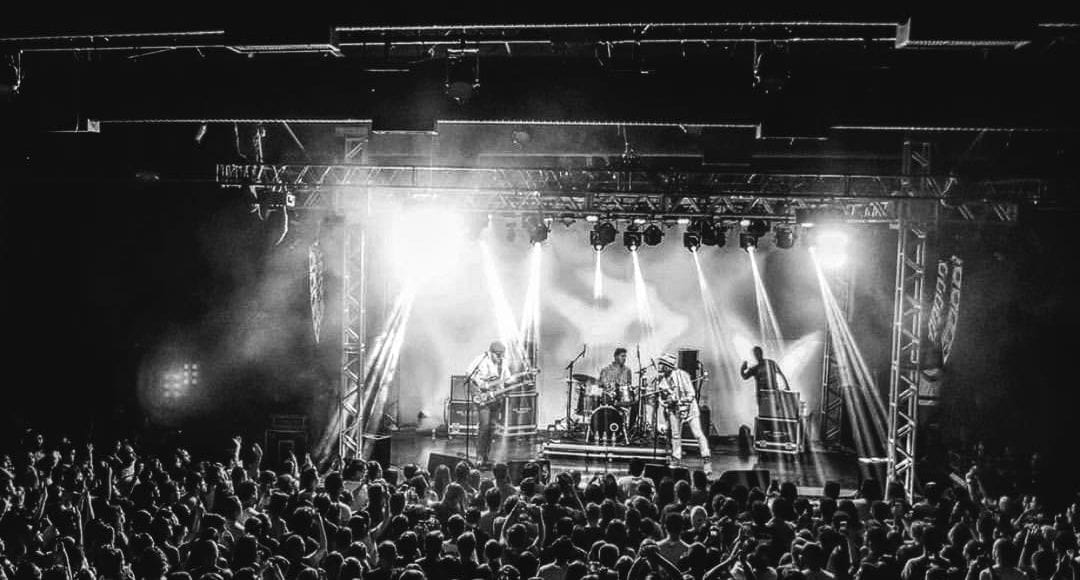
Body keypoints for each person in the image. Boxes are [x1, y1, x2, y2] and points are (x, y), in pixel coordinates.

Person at [655, 353, 711, 473]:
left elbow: (691, 394)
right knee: (675, 435)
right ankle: (676, 458)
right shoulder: (662, 381)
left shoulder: (682, 375)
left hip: (689, 409)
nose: (660, 367)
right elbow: (662, 398)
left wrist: (679, 400)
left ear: (668, 366)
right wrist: (666, 402)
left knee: (697, 433)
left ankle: (706, 458)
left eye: (662, 365)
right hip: (674, 410)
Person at [466, 341, 513, 467]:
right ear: (491, 352)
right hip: (483, 399)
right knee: (484, 426)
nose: (500, 357)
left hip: (496, 399)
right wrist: (478, 389)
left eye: (502, 354)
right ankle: (479, 456)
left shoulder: (503, 363)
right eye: (498, 355)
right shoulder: (481, 360)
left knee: (492, 428)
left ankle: (486, 456)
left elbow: (508, 379)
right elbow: (468, 374)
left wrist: (518, 379)